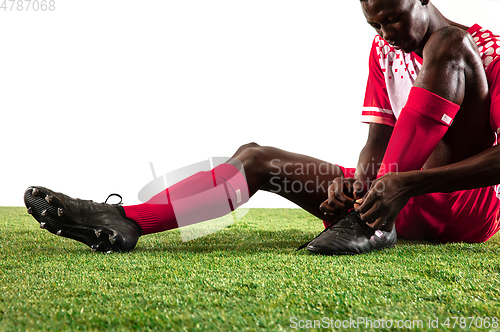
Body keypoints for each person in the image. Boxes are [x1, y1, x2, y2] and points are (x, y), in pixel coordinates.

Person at [24, 0, 500, 254]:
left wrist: (402, 185)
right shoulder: (384, 51)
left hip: (463, 212)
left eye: (392, 19)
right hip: (390, 205)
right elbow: (377, 142)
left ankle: (371, 220)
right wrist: (360, 185)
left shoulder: (482, 48)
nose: (385, 34)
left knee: (449, 45)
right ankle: (127, 220)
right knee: (254, 157)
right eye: (373, 24)